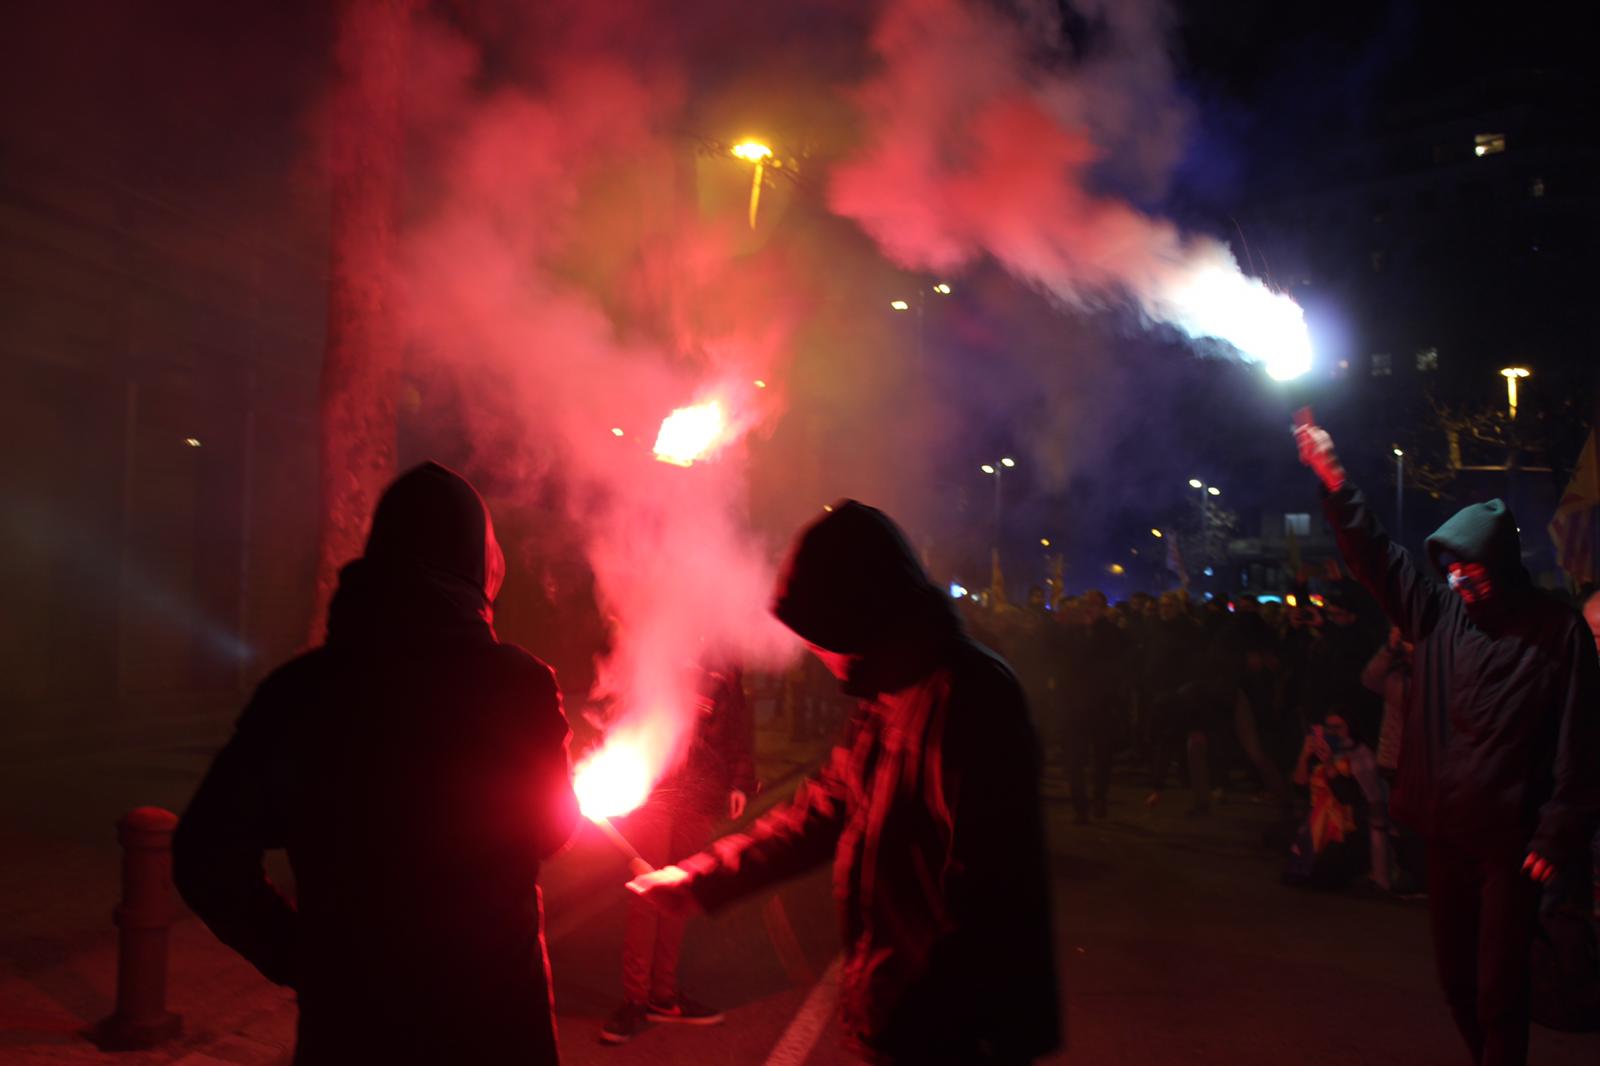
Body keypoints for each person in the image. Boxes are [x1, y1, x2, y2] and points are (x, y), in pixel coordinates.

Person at [173, 462, 580, 1065]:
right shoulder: (518, 686)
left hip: (354, 1028)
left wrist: (300, 957)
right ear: (477, 564)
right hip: (491, 1025)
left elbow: (205, 854)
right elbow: (554, 831)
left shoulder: (299, 692)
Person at [628, 501, 1060, 1064]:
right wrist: (703, 878)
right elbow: (824, 809)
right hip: (903, 1019)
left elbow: (988, 894)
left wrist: (935, 1025)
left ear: (857, 613)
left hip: (945, 1032)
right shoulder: (890, 695)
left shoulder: (966, 700)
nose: (813, 653)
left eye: (819, 634)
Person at [1296, 416, 1600, 1066]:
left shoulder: (1557, 630)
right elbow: (1373, 554)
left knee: (1498, 989)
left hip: (1509, 845)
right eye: (1452, 569)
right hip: (1443, 833)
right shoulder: (1436, 612)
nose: (1460, 581)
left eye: (1472, 570)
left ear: (1501, 563)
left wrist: (1558, 831)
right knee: (1456, 983)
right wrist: (1334, 481)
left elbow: (1581, 739)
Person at [601, 657, 757, 1044]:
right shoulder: (655, 641)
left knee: (680, 890)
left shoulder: (724, 662)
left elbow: (735, 728)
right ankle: (636, 999)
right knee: (648, 891)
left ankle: (663, 996)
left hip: (698, 795)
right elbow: (622, 705)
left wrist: (739, 781)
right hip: (656, 792)